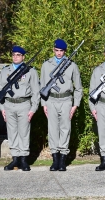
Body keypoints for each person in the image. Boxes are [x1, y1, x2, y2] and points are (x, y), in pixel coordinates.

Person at [40, 39, 83, 171]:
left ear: (65, 51)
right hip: (51, 100)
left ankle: (63, 159)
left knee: (65, 129)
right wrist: (44, 104)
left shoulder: (71, 65)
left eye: (61, 51)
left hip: (66, 100)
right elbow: (42, 86)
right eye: (57, 50)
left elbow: (79, 88)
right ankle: (55, 160)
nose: (59, 53)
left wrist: (75, 105)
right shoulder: (46, 65)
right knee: (52, 129)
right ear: (54, 50)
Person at [0, 46, 40, 171]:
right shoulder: (5, 71)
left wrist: (33, 109)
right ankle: (15, 159)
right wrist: (2, 108)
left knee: (24, 132)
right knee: (12, 133)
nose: (15, 57)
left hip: (24, 104)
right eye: (14, 54)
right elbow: (0, 91)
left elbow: (36, 92)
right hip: (9, 105)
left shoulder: (30, 71)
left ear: (23, 57)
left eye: (18, 55)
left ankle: (23, 159)